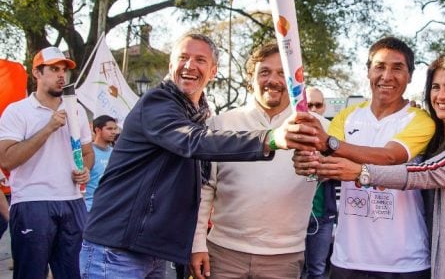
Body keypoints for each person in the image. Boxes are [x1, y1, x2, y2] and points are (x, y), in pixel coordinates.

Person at [81, 33, 319, 277]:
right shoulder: (158, 102)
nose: (190, 65)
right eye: (183, 57)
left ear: (213, 71)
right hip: (117, 247)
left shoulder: (198, 115)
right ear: (171, 65)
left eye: (200, 60)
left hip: (151, 249)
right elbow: (193, 141)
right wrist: (271, 139)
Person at [315, 55, 445, 278]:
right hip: (440, 254)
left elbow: (428, 173)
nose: (441, 96)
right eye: (436, 87)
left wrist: (362, 172)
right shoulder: (438, 134)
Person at [293, 36, 435, 278]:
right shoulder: (347, 117)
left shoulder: (420, 120)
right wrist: (308, 163)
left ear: (410, 76)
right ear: (368, 72)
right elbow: (326, 161)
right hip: (348, 257)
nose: (387, 76)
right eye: (379, 66)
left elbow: (390, 157)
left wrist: (331, 143)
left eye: (397, 68)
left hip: (404, 261)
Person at [188, 43, 327, 279]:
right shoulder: (220, 124)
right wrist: (197, 243)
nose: (272, 80)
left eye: (282, 73)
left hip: (284, 258)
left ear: (296, 81)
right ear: (251, 79)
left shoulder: (319, 128)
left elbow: (335, 174)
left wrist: (321, 169)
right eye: (264, 72)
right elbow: (204, 189)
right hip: (222, 254)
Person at [0, 46, 95, 278]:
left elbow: (88, 153)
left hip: (73, 202)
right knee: (30, 273)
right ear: (37, 73)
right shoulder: (18, 111)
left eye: (64, 70)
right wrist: (49, 128)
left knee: (72, 274)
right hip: (32, 202)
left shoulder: (77, 110)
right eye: (53, 69)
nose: (61, 75)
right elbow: (6, 159)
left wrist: (85, 170)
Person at [303, 86, 339, 279]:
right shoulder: (291, 133)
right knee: (295, 270)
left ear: (324, 107)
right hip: (293, 218)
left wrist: (328, 170)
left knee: (317, 271)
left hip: (323, 216)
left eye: (318, 105)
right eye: (309, 105)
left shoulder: (333, 135)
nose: (314, 109)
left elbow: (346, 168)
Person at [85, 115, 118, 211]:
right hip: (89, 207)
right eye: (109, 129)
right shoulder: (88, 152)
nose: (113, 132)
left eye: (115, 129)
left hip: (110, 207)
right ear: (98, 130)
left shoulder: (116, 153)